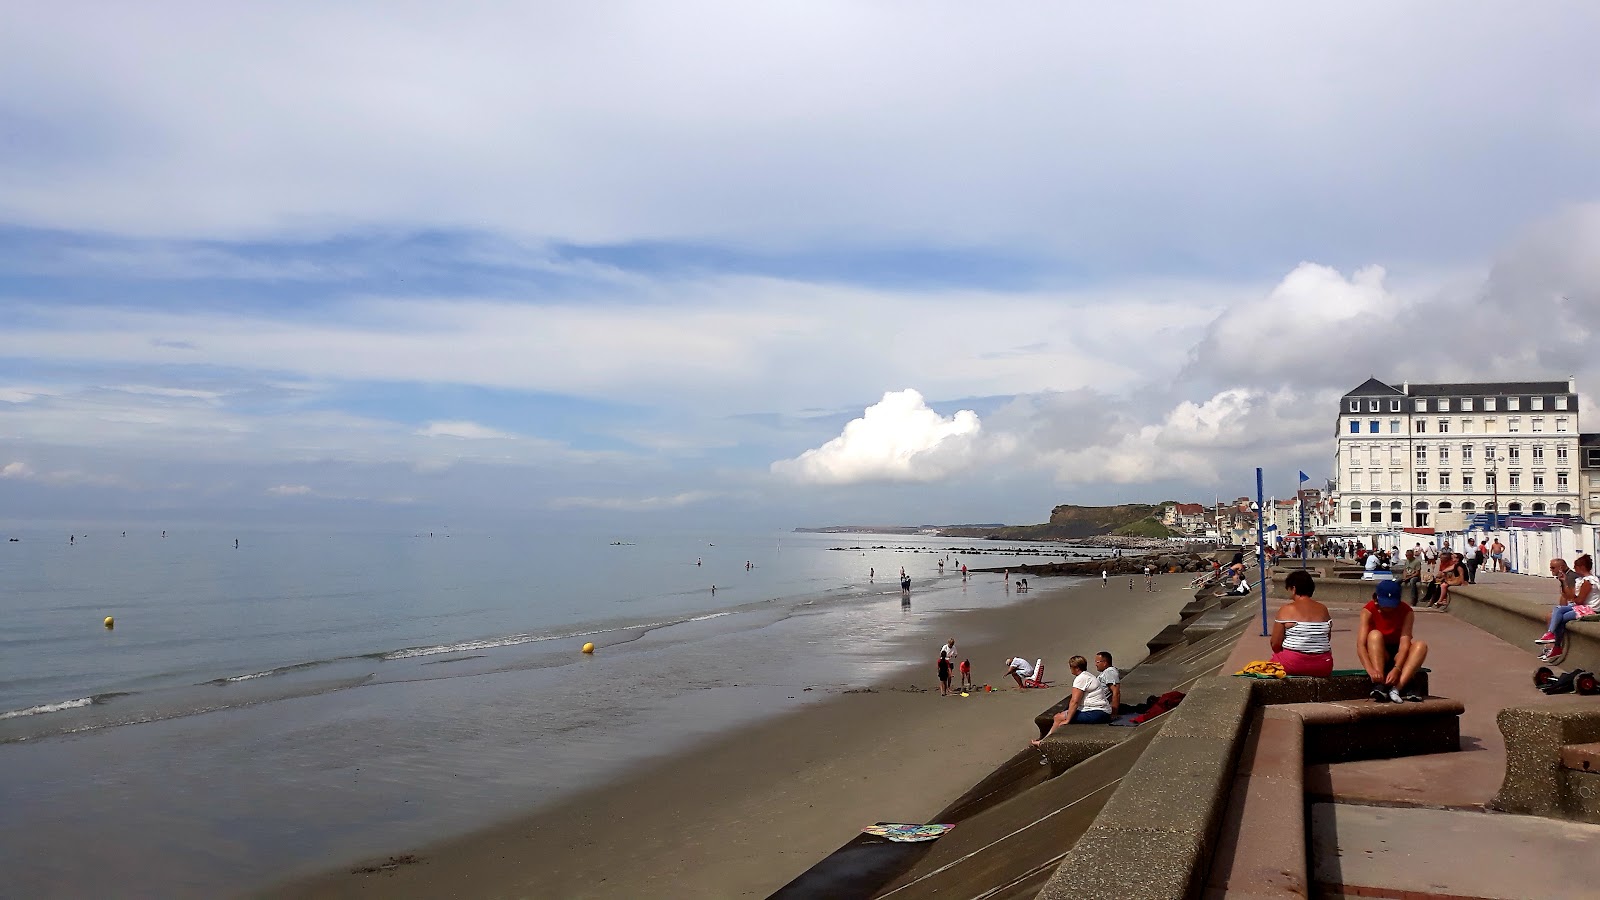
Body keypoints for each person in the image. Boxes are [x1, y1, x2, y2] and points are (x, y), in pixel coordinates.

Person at [1357, 580, 1429, 703]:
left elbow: (1404, 643)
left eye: (1392, 605)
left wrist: (1397, 668)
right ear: (1376, 598)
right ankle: (1380, 684)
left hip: (1398, 652)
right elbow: (1361, 644)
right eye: (1385, 604)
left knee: (1421, 646)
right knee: (1374, 635)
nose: (1389, 608)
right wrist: (1371, 670)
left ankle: (1398, 687)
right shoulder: (1368, 610)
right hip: (1379, 651)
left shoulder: (1407, 611)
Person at [1031, 656, 1114, 745]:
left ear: (1077, 668)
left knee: (1058, 718)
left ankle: (1044, 742)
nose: (1070, 669)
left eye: (1071, 667)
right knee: (1061, 715)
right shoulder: (1087, 675)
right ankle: (1045, 739)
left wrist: (1068, 719)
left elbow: (1075, 701)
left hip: (1097, 713)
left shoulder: (1080, 679)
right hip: (1102, 711)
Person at [1269, 569, 1334, 676]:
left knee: (1272, 663)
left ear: (1294, 589)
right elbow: (1327, 637)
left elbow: (1275, 643)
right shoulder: (1323, 609)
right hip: (1323, 665)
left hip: (1292, 664)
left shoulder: (1286, 610)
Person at [1537, 555, 1597, 660]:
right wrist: (1564, 581)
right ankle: (1552, 637)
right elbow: (1569, 596)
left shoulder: (1588, 581)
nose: (1574, 569)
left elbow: (1578, 600)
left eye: (1576, 567)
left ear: (1582, 567)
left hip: (1589, 609)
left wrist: (1572, 598)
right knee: (1558, 610)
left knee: (1561, 617)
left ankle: (1555, 644)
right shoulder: (1580, 580)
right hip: (1582, 607)